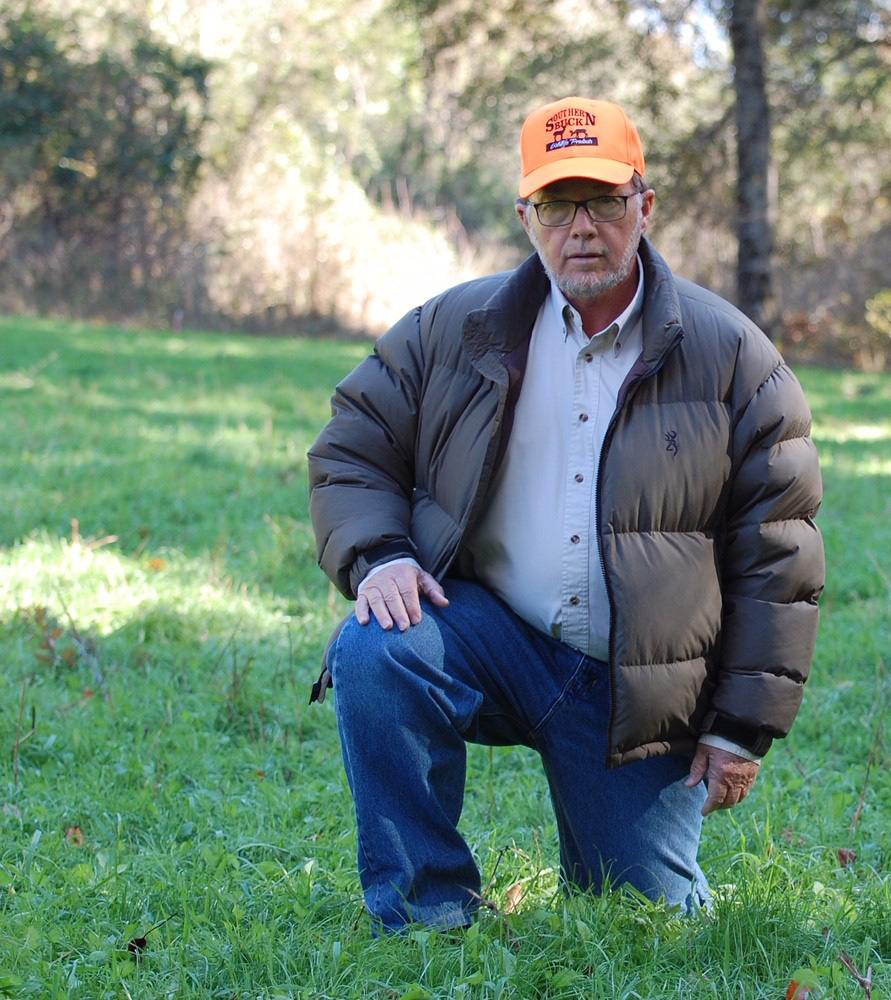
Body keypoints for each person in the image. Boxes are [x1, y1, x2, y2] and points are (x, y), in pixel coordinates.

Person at [307, 95, 824, 934]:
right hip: (492, 636)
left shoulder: (734, 357)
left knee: (648, 924)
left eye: (604, 201)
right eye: (557, 203)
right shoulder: (453, 330)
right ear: (526, 215)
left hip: (638, 687)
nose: (581, 226)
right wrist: (382, 555)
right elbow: (352, 446)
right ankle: (424, 915)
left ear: (643, 206)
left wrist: (740, 728)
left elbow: (780, 556)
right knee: (378, 648)